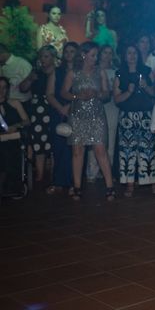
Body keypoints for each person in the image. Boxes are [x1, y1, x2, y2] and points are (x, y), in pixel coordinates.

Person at [61, 42, 115, 201]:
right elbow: (63, 93)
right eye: (93, 55)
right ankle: (77, 187)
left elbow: (107, 94)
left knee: (100, 150)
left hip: (97, 115)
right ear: (84, 55)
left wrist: (96, 93)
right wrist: (78, 96)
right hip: (78, 115)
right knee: (78, 151)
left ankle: (110, 186)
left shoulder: (101, 72)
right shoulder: (73, 73)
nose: (95, 58)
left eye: (96, 55)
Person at [113, 44, 155, 197]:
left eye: (134, 53)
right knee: (127, 151)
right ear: (125, 56)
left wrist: (146, 87)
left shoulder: (146, 71)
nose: (132, 56)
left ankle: (151, 182)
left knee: (148, 149)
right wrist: (129, 91)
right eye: (129, 53)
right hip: (127, 117)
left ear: (138, 55)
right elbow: (116, 99)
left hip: (145, 115)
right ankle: (129, 184)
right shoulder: (120, 73)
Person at [19, 45, 57, 185]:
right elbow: (22, 88)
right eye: (41, 56)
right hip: (37, 110)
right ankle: (40, 174)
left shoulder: (58, 72)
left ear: (53, 57)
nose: (43, 59)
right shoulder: (36, 72)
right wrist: (30, 78)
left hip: (53, 108)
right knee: (39, 141)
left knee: (54, 140)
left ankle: (54, 174)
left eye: (46, 56)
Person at [45, 42, 78, 194]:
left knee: (74, 149)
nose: (69, 54)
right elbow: (50, 94)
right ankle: (58, 182)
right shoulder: (56, 72)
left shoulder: (81, 72)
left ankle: (74, 182)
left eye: (72, 51)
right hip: (58, 112)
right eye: (67, 51)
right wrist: (60, 108)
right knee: (58, 148)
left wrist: (70, 107)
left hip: (76, 112)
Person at [86, 45, 119, 182]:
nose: (107, 55)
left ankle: (107, 172)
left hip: (112, 107)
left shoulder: (116, 71)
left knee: (110, 139)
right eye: (105, 52)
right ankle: (92, 172)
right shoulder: (93, 70)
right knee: (95, 139)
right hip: (96, 106)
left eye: (110, 53)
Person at [0, 77, 29, 197]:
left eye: (4, 88)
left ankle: (9, 184)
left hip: (13, 140)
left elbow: (27, 121)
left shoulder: (14, 103)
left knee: (9, 150)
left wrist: (16, 125)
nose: (1, 90)